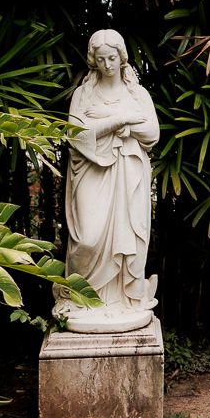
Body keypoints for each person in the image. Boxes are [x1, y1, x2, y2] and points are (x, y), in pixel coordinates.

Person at [60, 29, 160, 332]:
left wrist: (106, 119)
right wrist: (121, 119)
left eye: (112, 58)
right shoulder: (84, 95)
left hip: (129, 171)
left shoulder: (137, 94)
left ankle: (123, 298)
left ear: (121, 57)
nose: (107, 64)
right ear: (94, 60)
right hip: (92, 171)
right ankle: (82, 296)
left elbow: (152, 133)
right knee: (88, 237)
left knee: (128, 234)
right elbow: (76, 135)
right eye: (101, 59)